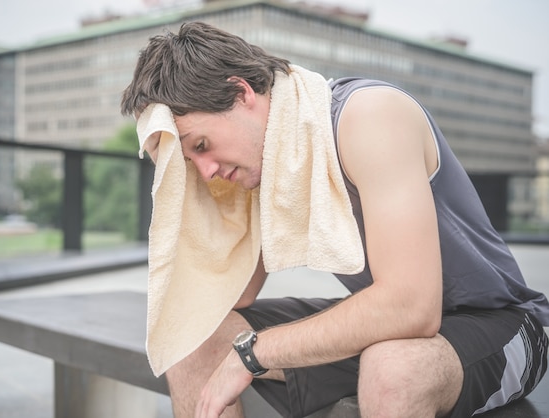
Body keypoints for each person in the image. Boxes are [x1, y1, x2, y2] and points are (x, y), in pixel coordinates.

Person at [121, 21, 549, 418]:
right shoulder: (271, 163)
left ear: (241, 93)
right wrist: (202, 187)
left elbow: (412, 307)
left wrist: (255, 352)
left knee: (394, 368)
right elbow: (237, 296)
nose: (207, 170)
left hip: (502, 323)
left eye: (201, 144)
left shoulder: (368, 116)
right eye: (191, 162)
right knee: (192, 340)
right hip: (398, 324)